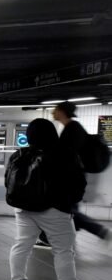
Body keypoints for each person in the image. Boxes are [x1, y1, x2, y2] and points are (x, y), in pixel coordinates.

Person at [6, 118, 96, 280]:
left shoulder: (18, 155)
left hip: (23, 208)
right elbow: (78, 182)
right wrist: (68, 202)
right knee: (63, 251)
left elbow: (9, 181)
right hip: (55, 210)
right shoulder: (64, 154)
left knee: (22, 245)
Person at [35, 102, 109, 248]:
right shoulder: (72, 128)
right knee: (65, 209)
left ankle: (101, 231)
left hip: (70, 179)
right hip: (71, 178)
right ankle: (55, 237)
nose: (53, 112)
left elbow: (67, 156)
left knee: (62, 209)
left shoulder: (73, 129)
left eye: (56, 110)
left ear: (62, 112)